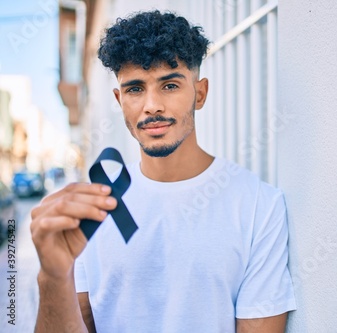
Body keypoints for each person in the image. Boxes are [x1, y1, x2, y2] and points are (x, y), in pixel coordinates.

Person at [30, 10, 296, 333]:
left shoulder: (258, 206)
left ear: (200, 93)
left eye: (169, 85)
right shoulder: (94, 207)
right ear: (119, 98)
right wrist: (52, 277)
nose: (152, 105)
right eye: (135, 89)